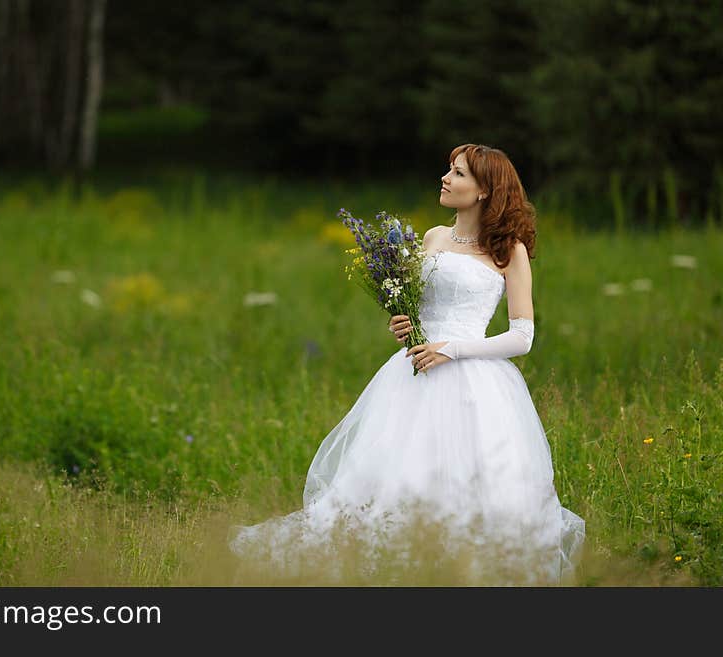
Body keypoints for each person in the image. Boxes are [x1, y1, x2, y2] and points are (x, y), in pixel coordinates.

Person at [228, 144, 585, 585]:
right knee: (393, 475)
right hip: (413, 372)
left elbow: (522, 337)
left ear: (483, 191)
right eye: (449, 170)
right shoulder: (433, 237)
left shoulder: (508, 250)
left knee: (476, 484)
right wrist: (405, 323)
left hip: (474, 380)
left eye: (457, 174)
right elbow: (420, 306)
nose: (445, 178)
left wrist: (451, 348)